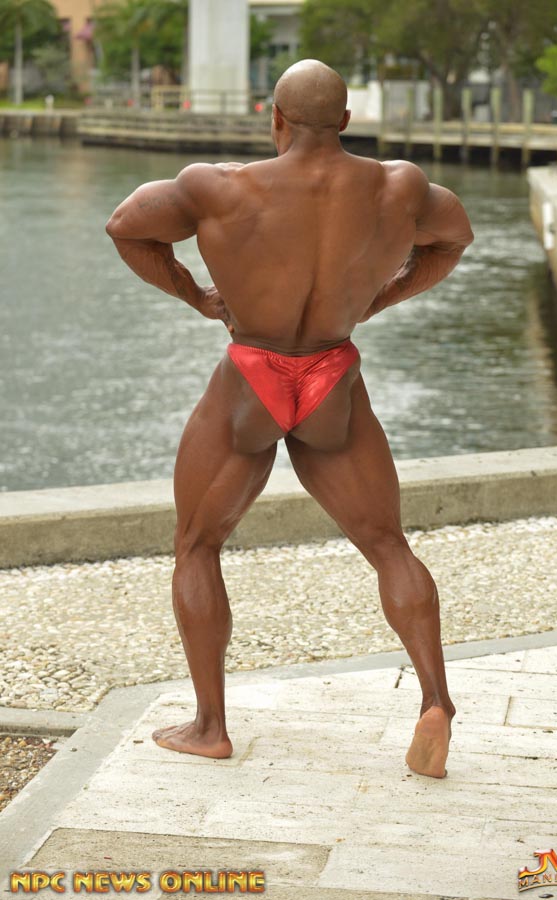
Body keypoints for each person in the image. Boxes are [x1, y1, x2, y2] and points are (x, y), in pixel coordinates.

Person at [105, 59, 474, 779]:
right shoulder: (399, 187)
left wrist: (196, 297)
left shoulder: (218, 186)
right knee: (387, 544)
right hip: (333, 371)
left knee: (197, 545)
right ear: (345, 120)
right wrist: (383, 296)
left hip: (252, 373)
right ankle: (435, 701)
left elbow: (127, 227)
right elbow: (453, 237)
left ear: (274, 119)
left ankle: (210, 727)